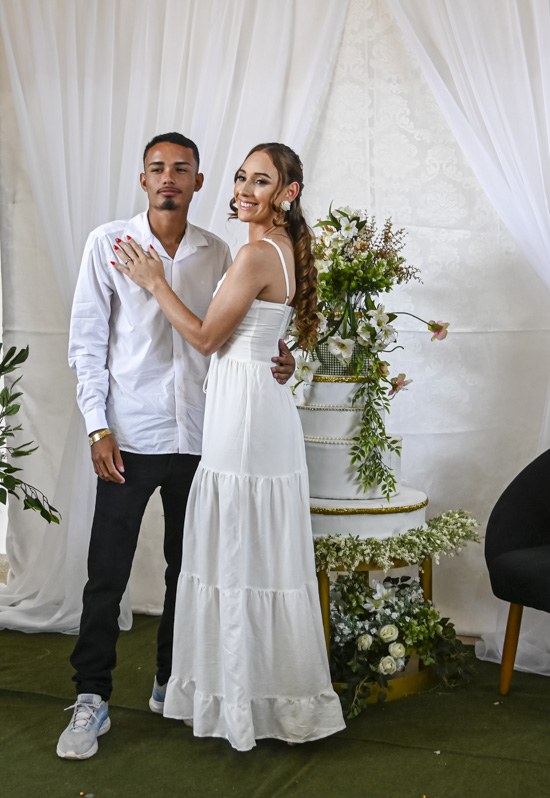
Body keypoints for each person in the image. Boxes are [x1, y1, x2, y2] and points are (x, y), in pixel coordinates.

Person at [58, 133, 296, 760]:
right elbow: (87, 343)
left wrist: (285, 356)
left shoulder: (221, 251)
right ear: (143, 180)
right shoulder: (108, 244)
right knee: (106, 573)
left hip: (204, 435)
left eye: (181, 169)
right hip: (129, 436)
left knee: (187, 571)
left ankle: (171, 682)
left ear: (197, 182)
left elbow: (241, 326)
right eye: (157, 168)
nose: (169, 178)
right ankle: (91, 697)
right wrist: (97, 426)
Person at [113, 142, 345, 750]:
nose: (243, 189)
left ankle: (241, 703)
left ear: (288, 193)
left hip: (244, 414)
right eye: (241, 177)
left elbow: (205, 338)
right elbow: (265, 331)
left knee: (238, 546)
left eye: (260, 181)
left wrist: (154, 281)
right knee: (252, 549)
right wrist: (282, 355)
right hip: (257, 404)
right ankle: (259, 694)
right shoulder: (282, 247)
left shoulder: (254, 253)